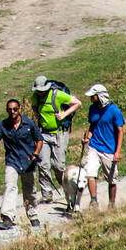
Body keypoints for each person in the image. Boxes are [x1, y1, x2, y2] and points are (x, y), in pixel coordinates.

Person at [0, 99, 43, 230]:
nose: (12, 112)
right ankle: (7, 218)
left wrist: (35, 153)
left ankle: (33, 215)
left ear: (20, 109)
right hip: (12, 161)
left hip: (28, 161)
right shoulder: (3, 125)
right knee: (10, 186)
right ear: (7, 111)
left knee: (29, 190)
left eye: (15, 109)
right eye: (10, 109)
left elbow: (39, 139)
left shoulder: (29, 123)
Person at [31, 74, 81, 206]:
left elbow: (77, 103)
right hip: (43, 134)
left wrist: (64, 114)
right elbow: (33, 105)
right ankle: (47, 194)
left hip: (59, 134)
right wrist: (36, 114)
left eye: (42, 91)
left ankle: (66, 187)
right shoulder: (35, 96)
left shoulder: (57, 95)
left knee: (59, 166)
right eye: (38, 91)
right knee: (43, 165)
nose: (40, 93)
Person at [83, 83, 125, 209]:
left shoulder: (114, 111)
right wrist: (87, 138)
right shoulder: (92, 109)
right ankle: (94, 202)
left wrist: (117, 152)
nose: (91, 99)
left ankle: (111, 204)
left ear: (100, 96)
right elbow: (93, 125)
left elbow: (120, 131)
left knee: (111, 179)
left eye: (93, 96)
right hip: (94, 146)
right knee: (90, 173)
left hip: (109, 149)